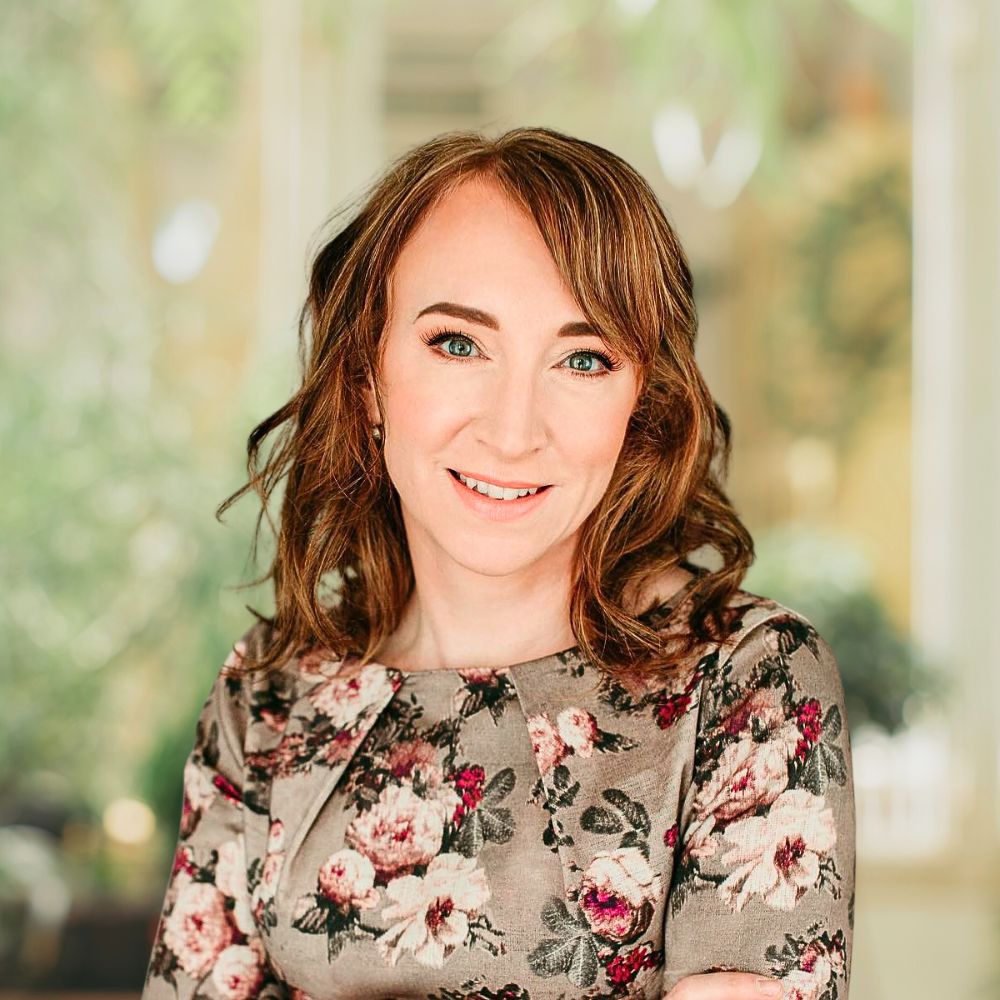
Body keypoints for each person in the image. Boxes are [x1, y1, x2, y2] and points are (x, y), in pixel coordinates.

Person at [140, 127, 855, 1000]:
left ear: (639, 406)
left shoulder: (749, 677)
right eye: (457, 344)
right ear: (367, 377)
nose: (514, 431)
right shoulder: (269, 697)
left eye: (582, 360)